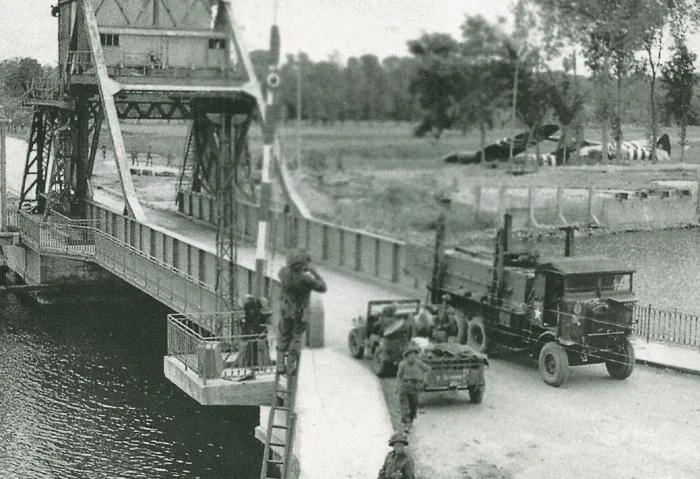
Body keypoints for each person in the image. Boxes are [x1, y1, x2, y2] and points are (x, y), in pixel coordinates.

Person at [277, 248, 327, 374]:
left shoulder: (283, 273)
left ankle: (280, 364)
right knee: (296, 335)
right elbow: (322, 287)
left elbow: (283, 272)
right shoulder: (306, 279)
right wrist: (314, 272)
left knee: (284, 334)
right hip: (299, 310)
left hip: (285, 308)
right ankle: (290, 365)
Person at [396, 342, 431, 432]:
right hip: (405, 386)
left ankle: (410, 420)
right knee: (405, 406)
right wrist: (398, 387)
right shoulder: (402, 364)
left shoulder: (419, 363)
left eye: (414, 355)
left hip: (415, 387)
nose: (412, 357)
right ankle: (406, 423)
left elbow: (428, 369)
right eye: (410, 355)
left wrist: (424, 379)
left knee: (414, 405)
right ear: (407, 356)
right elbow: (399, 376)